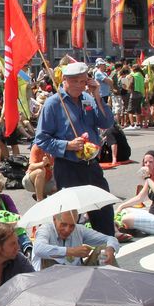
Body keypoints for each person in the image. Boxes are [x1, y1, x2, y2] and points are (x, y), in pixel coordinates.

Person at [35, 62, 116, 237]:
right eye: (75, 81)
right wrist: (67, 145)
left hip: (91, 165)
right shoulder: (53, 103)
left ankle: (106, 251)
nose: (80, 85)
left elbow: (106, 122)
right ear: (64, 80)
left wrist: (97, 96)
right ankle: (70, 255)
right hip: (68, 166)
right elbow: (41, 139)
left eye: (83, 81)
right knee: (69, 216)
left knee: (103, 210)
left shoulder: (88, 98)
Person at [116, 150, 154, 236]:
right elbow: (140, 197)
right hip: (153, 216)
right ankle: (134, 229)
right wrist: (122, 206)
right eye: (145, 162)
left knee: (126, 219)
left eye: (151, 162)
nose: (148, 164)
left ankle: (134, 231)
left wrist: (147, 178)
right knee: (125, 211)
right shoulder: (151, 178)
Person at [31, 209, 118, 270]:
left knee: (103, 250)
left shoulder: (79, 229)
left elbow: (110, 239)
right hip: (49, 279)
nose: (67, 230)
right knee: (48, 255)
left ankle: (116, 286)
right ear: (54, 220)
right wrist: (71, 251)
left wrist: (110, 249)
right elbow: (38, 249)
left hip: (77, 274)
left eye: (72, 225)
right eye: (63, 224)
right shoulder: (45, 229)